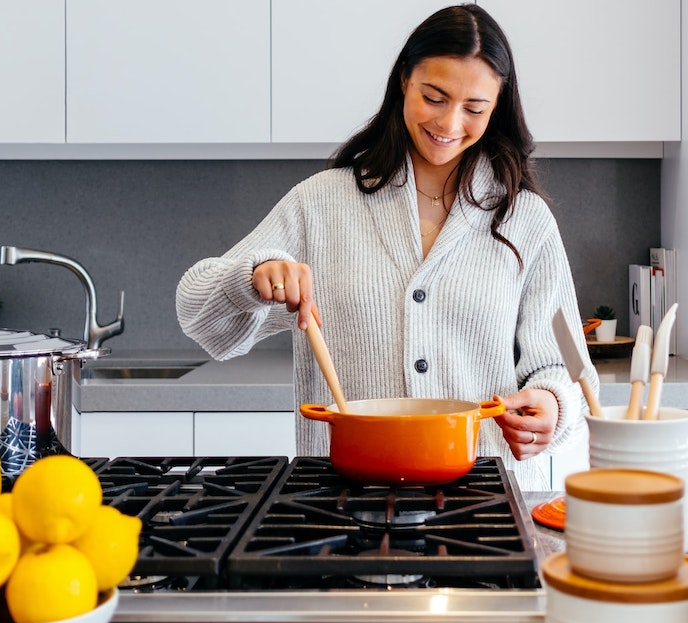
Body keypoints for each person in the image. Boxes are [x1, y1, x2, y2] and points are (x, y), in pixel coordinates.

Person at [175, 3, 596, 490]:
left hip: (481, 502)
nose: (450, 123)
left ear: (497, 106)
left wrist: (550, 404)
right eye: (434, 97)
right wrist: (251, 278)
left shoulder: (524, 218)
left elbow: (563, 366)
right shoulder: (323, 203)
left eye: (474, 108)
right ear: (403, 81)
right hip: (339, 502)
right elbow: (197, 315)